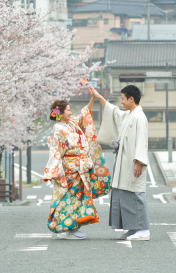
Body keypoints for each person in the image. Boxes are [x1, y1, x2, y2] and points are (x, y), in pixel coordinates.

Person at [42, 91, 111, 239]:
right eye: (68, 110)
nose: (70, 112)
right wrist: (55, 171)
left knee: (78, 199)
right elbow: (56, 152)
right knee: (69, 199)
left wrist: (93, 98)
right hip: (70, 170)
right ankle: (68, 229)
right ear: (60, 113)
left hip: (80, 169)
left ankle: (71, 227)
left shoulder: (72, 124)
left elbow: (84, 114)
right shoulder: (58, 130)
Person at [89, 84, 151, 242]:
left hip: (133, 162)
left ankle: (143, 229)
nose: (121, 102)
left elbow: (142, 141)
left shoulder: (139, 117)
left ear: (131, 99)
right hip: (124, 161)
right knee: (124, 194)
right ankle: (133, 228)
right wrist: (99, 97)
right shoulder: (130, 115)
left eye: (123, 99)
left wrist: (139, 162)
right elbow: (114, 112)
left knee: (135, 194)